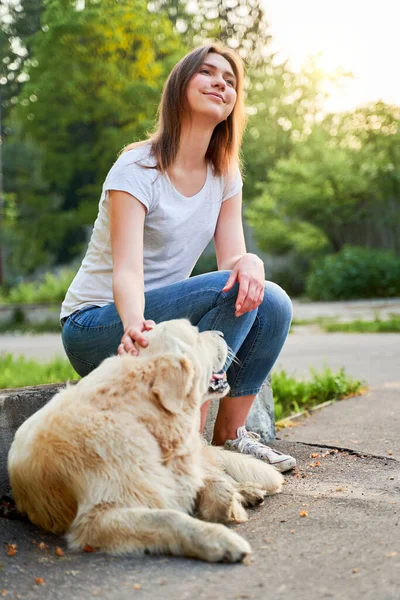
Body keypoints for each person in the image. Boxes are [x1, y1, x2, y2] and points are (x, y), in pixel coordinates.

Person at [60, 43, 296, 473]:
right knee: (230, 287)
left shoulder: (224, 174)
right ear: (179, 87)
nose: (221, 83)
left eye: (230, 81)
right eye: (207, 73)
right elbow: (127, 269)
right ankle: (188, 445)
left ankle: (231, 439)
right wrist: (134, 326)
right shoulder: (137, 167)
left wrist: (252, 263)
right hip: (98, 325)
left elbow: (234, 260)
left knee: (272, 300)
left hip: (167, 326)